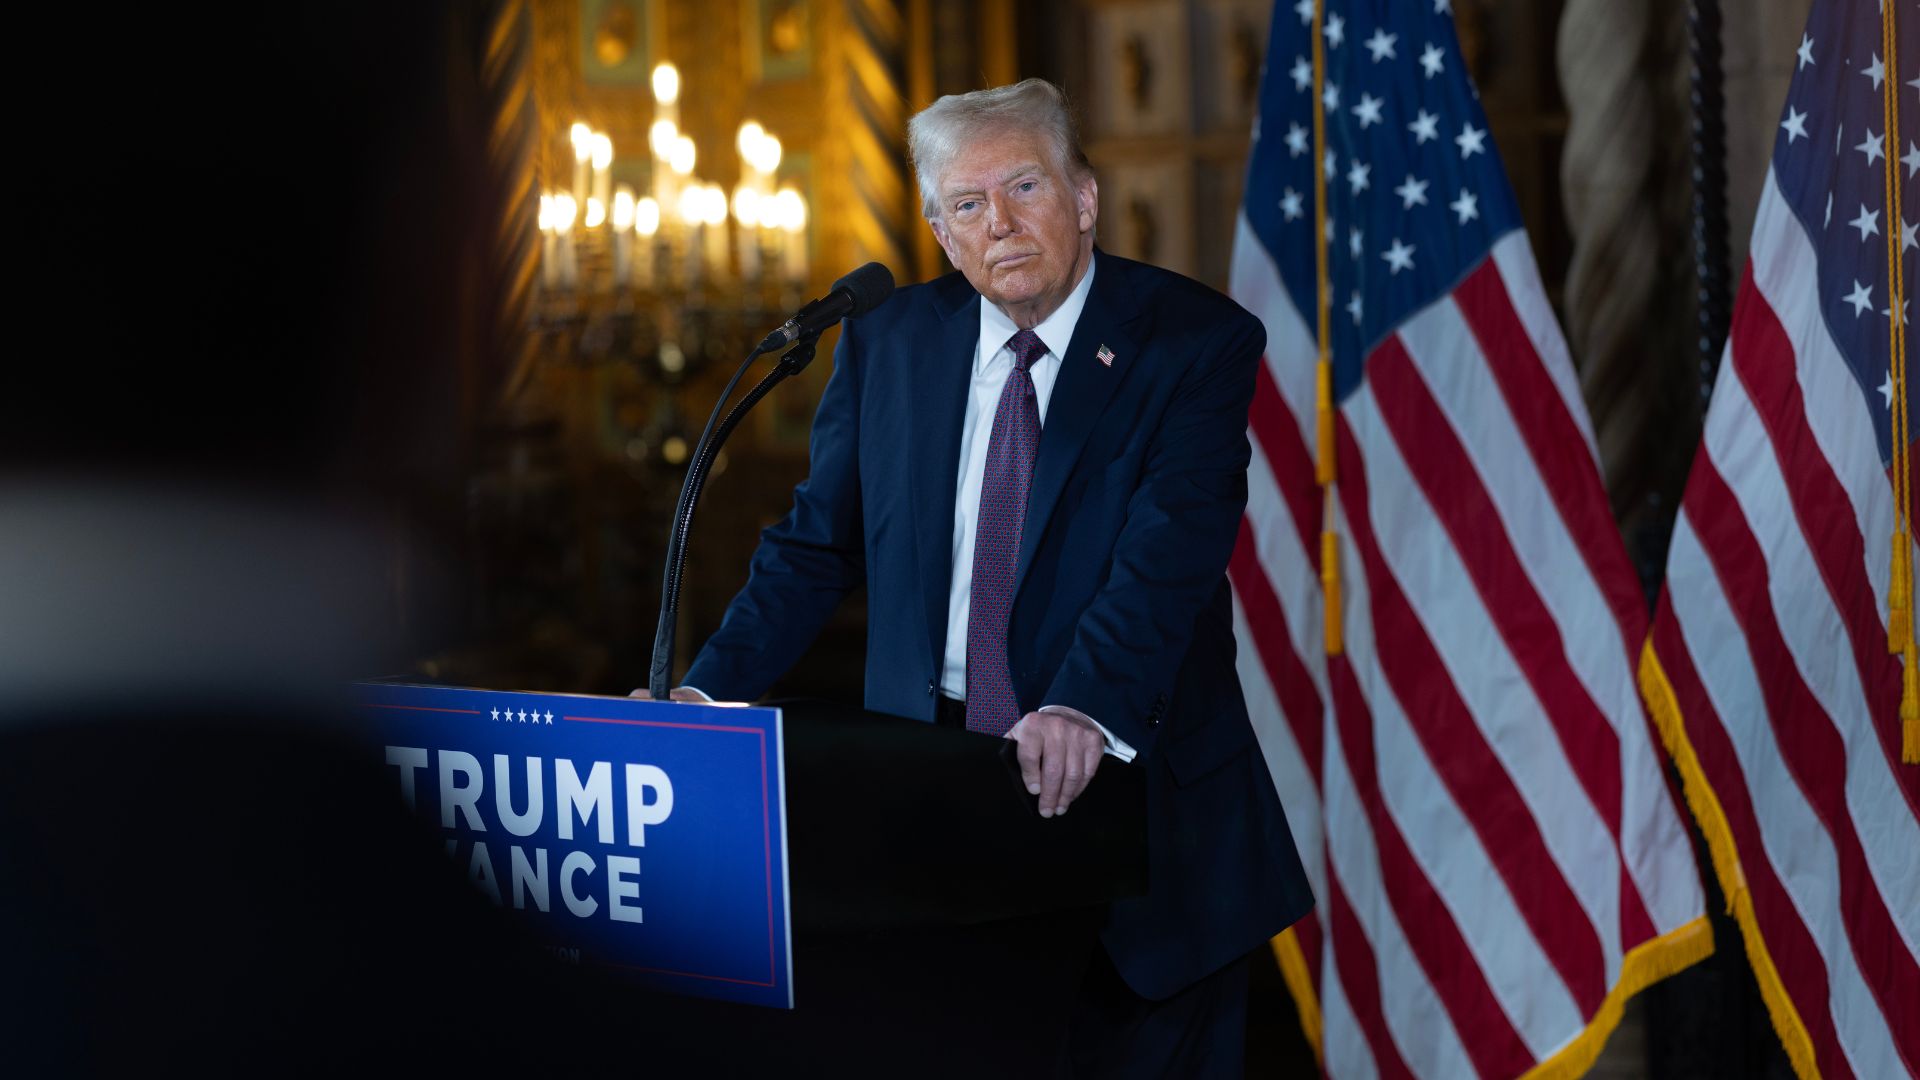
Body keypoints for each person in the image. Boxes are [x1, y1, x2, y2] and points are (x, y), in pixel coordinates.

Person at [667, 79, 1313, 1076]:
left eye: (1024, 187)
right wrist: (704, 696)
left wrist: (1080, 709)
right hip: (935, 825)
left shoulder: (1191, 340)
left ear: (1084, 197)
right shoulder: (887, 341)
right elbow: (815, 546)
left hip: (1140, 834)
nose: (999, 223)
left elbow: (1169, 556)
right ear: (937, 227)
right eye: (967, 204)